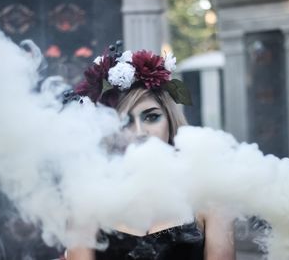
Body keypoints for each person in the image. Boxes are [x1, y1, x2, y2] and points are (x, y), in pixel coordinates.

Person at [64, 42, 236, 260]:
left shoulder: (209, 196)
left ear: (170, 122)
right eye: (126, 121)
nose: (139, 131)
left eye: (151, 117)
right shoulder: (89, 201)